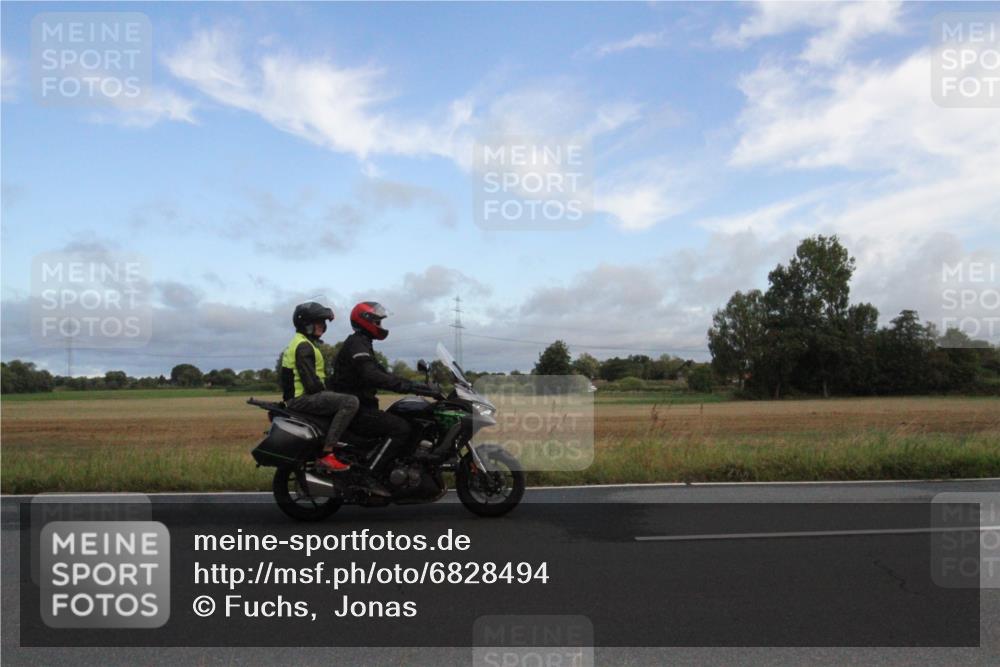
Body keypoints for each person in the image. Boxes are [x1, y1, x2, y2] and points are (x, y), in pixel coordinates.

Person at [329, 302, 438, 481]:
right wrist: (410, 387)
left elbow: (383, 374)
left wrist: (418, 386)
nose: (380, 326)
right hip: (357, 409)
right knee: (401, 428)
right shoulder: (357, 344)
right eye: (377, 321)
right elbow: (372, 375)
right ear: (366, 321)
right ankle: (369, 476)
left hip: (362, 406)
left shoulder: (363, 343)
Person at [281, 302, 359, 473]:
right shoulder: (303, 346)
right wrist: (331, 393)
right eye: (319, 322)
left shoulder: (303, 343)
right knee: (350, 402)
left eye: (323, 323)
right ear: (306, 324)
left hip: (299, 397)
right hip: (301, 398)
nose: (323, 326)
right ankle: (328, 453)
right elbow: (311, 384)